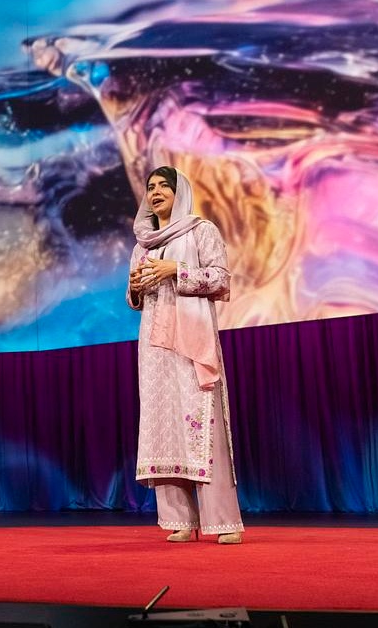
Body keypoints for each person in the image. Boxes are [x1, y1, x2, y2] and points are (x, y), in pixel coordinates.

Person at [127, 166, 244, 544]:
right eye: (151, 186)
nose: (156, 191)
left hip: (192, 345)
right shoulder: (142, 244)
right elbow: (135, 301)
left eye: (164, 185)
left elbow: (221, 279)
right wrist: (135, 289)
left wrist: (175, 269)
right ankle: (180, 521)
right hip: (155, 347)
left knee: (200, 425)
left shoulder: (200, 231)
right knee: (164, 429)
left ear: (181, 192)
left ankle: (223, 522)